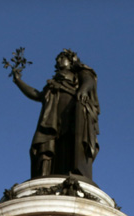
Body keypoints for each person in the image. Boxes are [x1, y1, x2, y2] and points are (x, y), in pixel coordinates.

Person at [12, 49, 99, 183]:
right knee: (49, 145)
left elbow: (89, 80)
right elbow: (37, 95)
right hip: (51, 117)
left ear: (71, 60)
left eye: (61, 58)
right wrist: (18, 81)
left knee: (71, 142)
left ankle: (73, 172)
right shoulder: (53, 84)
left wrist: (83, 89)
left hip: (73, 113)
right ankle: (47, 174)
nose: (58, 61)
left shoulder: (78, 72)